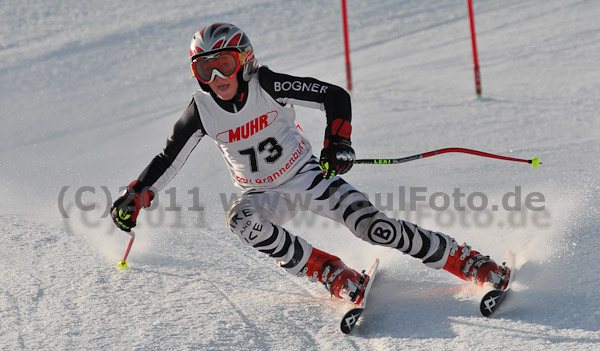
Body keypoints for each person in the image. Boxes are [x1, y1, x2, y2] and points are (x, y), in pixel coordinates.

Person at [111, 23, 510, 304]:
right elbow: (168, 158)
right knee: (241, 221)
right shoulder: (200, 111)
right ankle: (328, 270)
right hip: (261, 193)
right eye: (204, 68)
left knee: (375, 228)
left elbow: (333, 95)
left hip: (308, 176)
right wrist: (137, 195)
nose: (216, 76)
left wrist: (338, 141)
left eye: (225, 65)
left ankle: (466, 261)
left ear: (244, 60)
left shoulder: (266, 84)